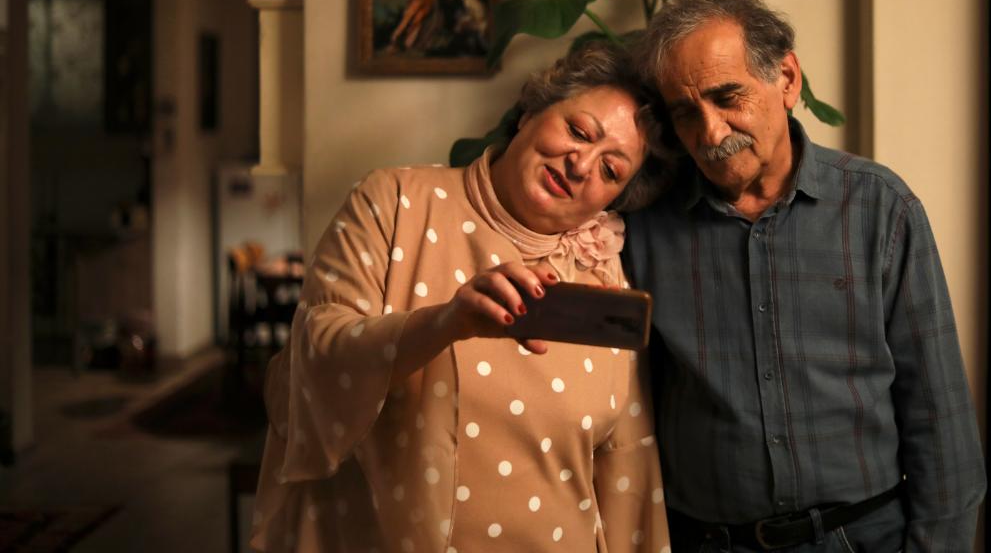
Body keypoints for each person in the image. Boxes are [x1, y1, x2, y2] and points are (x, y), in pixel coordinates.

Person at [251, 40, 674, 552]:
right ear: (530, 113)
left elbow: (628, 460)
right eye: (579, 132)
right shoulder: (394, 202)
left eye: (611, 170)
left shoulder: (604, 270)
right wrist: (445, 323)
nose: (582, 165)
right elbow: (314, 360)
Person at [623, 0, 985, 552]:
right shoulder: (640, 226)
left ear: (787, 79)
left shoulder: (880, 208)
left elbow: (940, 421)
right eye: (686, 112)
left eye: (727, 97)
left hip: (862, 541)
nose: (711, 133)